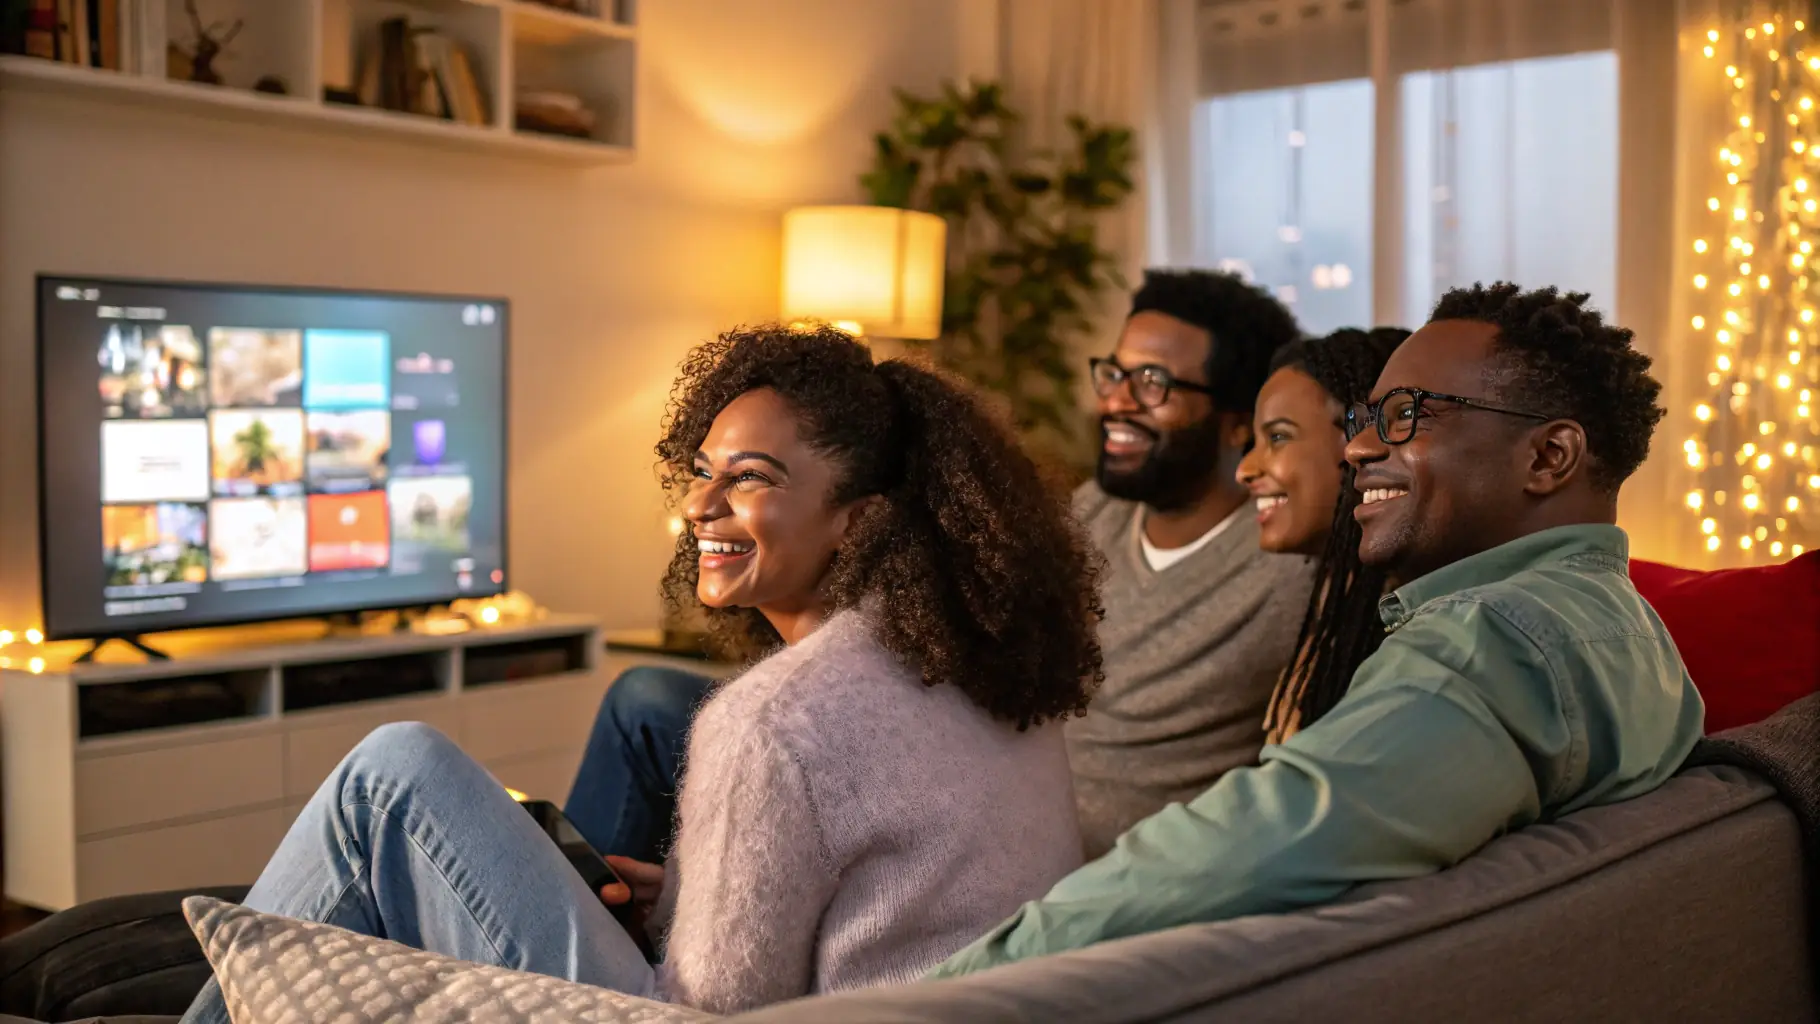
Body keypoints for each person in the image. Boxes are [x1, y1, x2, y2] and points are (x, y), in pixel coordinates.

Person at [181, 324, 1103, 1020]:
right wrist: (700, 901)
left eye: (752, 477)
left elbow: (706, 1011)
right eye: (703, 471)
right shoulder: (979, 666)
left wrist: (686, 930)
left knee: (389, 780)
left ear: (858, 521)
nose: (702, 504)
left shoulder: (777, 722)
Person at [930, 282, 1708, 976]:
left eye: (1406, 417)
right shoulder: (1632, 630)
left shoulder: (1492, 643)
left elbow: (1255, 846)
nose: (1359, 446)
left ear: (1548, 456)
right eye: (1369, 417)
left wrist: (965, 981)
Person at [566, 268, 1313, 863]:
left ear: (1237, 420)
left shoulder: (1289, 567)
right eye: (1113, 375)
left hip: (1074, 846)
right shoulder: (1095, 517)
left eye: (1153, 385)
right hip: (969, 775)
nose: (1116, 403)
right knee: (646, 703)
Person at [1237, 326, 1411, 743]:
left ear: (1359, 444)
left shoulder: (1403, 638)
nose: (1245, 470)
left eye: (1277, 437)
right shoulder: (1333, 605)